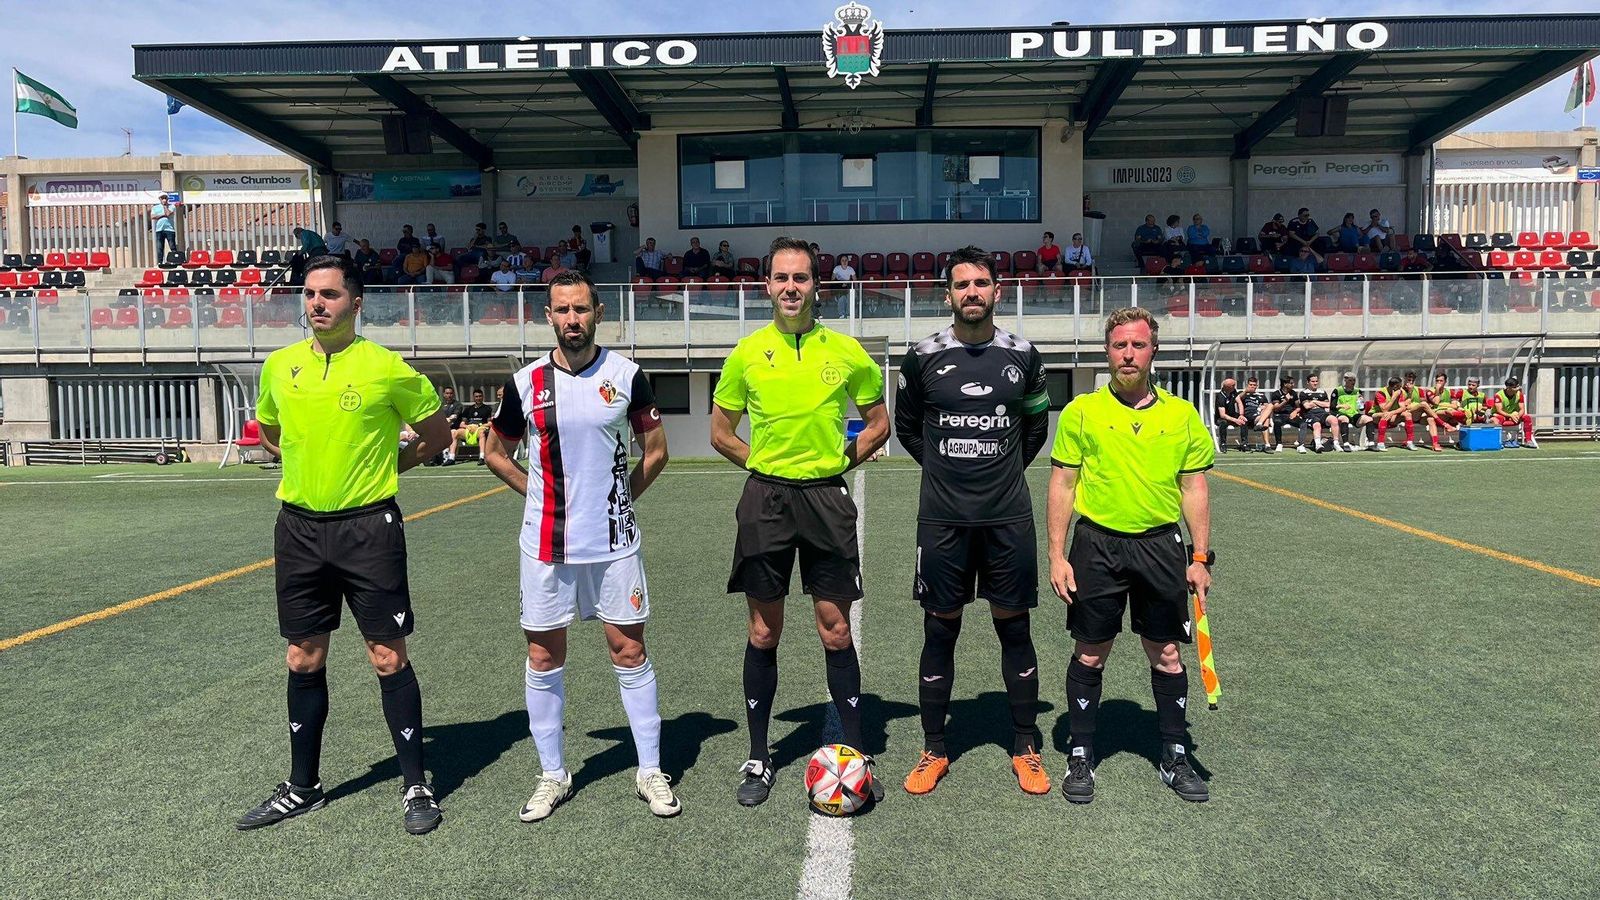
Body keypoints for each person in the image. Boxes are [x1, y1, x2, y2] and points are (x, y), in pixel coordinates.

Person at [235, 255, 451, 835]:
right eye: (309, 294)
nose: (316, 304)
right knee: (303, 656)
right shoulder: (280, 368)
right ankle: (303, 787)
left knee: (387, 656)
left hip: (368, 529)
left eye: (329, 294)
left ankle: (415, 785)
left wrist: (389, 463)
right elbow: (273, 434)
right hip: (299, 529)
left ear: (356, 302)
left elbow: (436, 436)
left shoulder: (387, 368)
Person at [481, 269, 677, 821]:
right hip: (545, 546)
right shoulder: (524, 384)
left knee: (630, 651)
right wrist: (537, 494)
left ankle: (650, 770)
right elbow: (495, 451)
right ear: (549, 316)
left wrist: (620, 499)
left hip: (614, 544)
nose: (573, 319)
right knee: (544, 655)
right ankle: (552, 774)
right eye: (562, 310)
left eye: (582, 309)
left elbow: (656, 451)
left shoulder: (628, 375)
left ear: (598, 313)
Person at [709, 236, 890, 807]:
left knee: (835, 628)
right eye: (782, 278)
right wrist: (760, 464)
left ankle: (857, 754)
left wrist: (839, 464)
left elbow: (880, 424)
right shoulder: (745, 353)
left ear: (818, 285)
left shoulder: (848, 351)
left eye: (802, 277)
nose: (792, 287)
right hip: (766, 500)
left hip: (825, 501)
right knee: (764, 630)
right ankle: (760, 756)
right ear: (767, 286)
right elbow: (720, 432)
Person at [894, 246, 1052, 797]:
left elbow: (1035, 429)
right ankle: (934, 747)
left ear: (997, 291)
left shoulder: (1024, 355)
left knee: (1015, 627)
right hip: (943, 520)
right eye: (962, 285)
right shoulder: (922, 357)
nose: (972, 293)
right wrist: (947, 470)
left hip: (1008, 518)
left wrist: (1001, 472)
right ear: (948, 295)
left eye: (981, 283)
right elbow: (908, 429)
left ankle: (1026, 745)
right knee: (941, 628)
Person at [1047, 305, 1215, 804]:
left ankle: (1173, 752)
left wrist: (1200, 557)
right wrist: (1057, 554)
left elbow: (1194, 487)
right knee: (1091, 651)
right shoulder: (1082, 411)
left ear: (1153, 351)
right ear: (1107, 351)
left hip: (1161, 546)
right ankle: (1081, 753)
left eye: (1138, 345)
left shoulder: (1181, 415)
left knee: (1166, 653)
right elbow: (1063, 482)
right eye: (1120, 345)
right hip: (1096, 544)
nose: (1128, 353)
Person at [1490, 375, 1538, 448]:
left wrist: (1518, 416)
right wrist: (1510, 416)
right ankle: (1499, 441)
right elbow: (1499, 410)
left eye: (1518, 386)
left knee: (1527, 417)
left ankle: (1528, 440)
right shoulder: (1498, 395)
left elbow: (1522, 409)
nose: (1518, 388)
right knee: (1498, 419)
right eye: (1515, 387)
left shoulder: (1519, 394)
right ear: (1508, 388)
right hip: (1500, 415)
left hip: (1514, 415)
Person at [1326, 372, 1370, 452]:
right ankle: (1346, 444)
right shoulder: (1338, 390)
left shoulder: (1357, 391)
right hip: (1341, 413)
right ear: (1345, 380)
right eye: (1350, 380)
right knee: (1344, 419)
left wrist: (1361, 402)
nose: (1353, 382)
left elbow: (1361, 409)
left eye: (1354, 380)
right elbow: (1332, 407)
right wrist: (1342, 406)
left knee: (1368, 419)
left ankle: (1371, 443)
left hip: (1353, 414)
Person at [1370, 376, 1411, 452]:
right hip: (1375, 416)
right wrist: (1394, 397)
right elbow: (1384, 409)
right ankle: (1380, 443)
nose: (1401, 388)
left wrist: (1392, 412)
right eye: (1399, 386)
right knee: (1385, 415)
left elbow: (1403, 408)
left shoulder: (1400, 392)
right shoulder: (1380, 393)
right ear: (1395, 386)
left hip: (1391, 415)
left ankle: (1409, 442)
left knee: (1407, 414)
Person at [455, 388, 495, 462]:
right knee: (454, 433)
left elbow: (490, 423)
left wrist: (479, 426)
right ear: (473, 398)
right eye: (476, 396)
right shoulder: (468, 409)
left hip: (481, 429)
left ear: (483, 397)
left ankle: (482, 457)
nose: (478, 398)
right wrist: (468, 426)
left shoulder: (488, 409)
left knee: (481, 433)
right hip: (469, 430)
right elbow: (462, 424)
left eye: (480, 396)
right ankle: (451, 457)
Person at [1267, 375, 1302, 453]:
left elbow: (1298, 407)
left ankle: (1301, 444)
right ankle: (1279, 443)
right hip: (1280, 415)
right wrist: (1285, 400)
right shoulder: (1276, 394)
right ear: (1285, 384)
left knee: (1303, 424)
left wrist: (1295, 411)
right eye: (1291, 383)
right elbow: (1276, 408)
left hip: (1291, 415)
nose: (1293, 385)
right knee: (1277, 422)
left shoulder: (1294, 393)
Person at [1296, 374, 1330, 453]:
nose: (1315, 383)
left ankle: (1337, 443)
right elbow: (1307, 406)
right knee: (1316, 423)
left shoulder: (1322, 392)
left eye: (1316, 381)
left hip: (1322, 414)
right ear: (1308, 382)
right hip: (1309, 415)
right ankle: (1317, 445)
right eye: (1313, 381)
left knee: (1334, 420)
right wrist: (1320, 403)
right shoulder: (1303, 393)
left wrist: (1314, 402)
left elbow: (1328, 404)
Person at [1212, 377, 1247, 453]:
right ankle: (1223, 444)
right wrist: (1235, 420)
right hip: (1221, 418)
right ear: (1228, 387)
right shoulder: (1220, 397)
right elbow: (1222, 415)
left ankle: (1244, 443)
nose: (1235, 387)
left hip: (1232, 415)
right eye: (1233, 385)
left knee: (1243, 420)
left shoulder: (1233, 391)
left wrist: (1241, 415)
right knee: (1223, 423)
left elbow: (1239, 402)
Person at [434, 387, 464, 466]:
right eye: (447, 393)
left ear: (453, 394)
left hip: (454, 429)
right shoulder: (440, 405)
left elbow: (454, 416)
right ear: (444, 394)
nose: (449, 395)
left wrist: (445, 421)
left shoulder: (458, 405)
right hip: (442, 428)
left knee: (452, 432)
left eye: (450, 393)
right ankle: (434, 457)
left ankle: (451, 458)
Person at [1239, 376, 1270, 451]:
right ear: (1247, 385)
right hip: (1246, 416)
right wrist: (1246, 391)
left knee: (1269, 408)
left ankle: (1267, 445)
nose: (1252, 386)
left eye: (1254, 385)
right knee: (1266, 419)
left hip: (1257, 417)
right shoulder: (1244, 394)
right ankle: (1266, 444)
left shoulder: (1261, 395)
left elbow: (1267, 407)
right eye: (1250, 385)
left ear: (1257, 386)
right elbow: (1237, 398)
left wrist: (1262, 407)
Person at [150, 194, 180, 262]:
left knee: (172, 246)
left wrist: (165, 207)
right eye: (162, 198)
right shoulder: (155, 207)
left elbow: (168, 214)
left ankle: (176, 260)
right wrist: (162, 215)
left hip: (169, 229)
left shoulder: (172, 206)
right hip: (159, 229)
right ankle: (160, 262)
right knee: (159, 247)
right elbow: (152, 217)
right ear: (160, 199)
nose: (164, 200)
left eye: (165, 198)